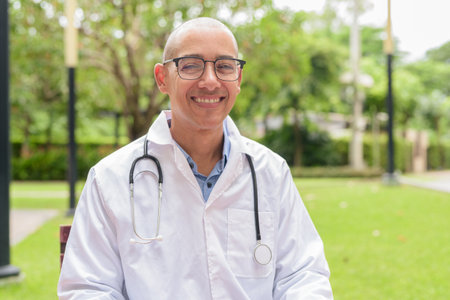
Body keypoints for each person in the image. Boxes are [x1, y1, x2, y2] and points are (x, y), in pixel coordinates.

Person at [58, 17, 333, 299]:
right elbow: (88, 288)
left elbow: (303, 275)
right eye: (191, 65)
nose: (210, 81)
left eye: (225, 66)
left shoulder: (270, 172)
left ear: (238, 79)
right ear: (162, 79)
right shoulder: (109, 178)